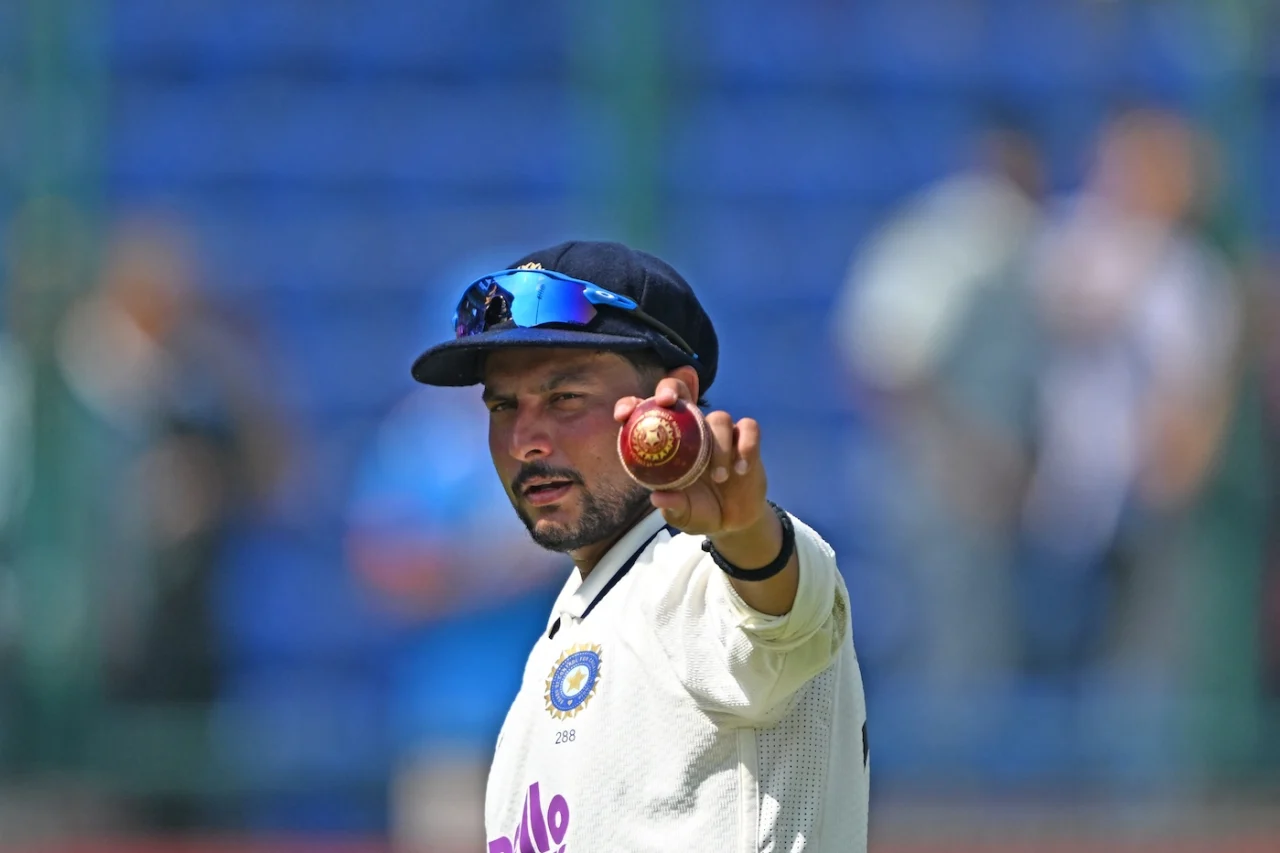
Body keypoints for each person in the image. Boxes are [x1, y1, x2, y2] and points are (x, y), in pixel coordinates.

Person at [410, 241, 868, 852]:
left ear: (669, 398)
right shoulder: (582, 610)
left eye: (565, 398)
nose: (525, 441)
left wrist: (744, 531)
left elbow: (778, 611)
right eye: (502, 405)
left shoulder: (699, 572)